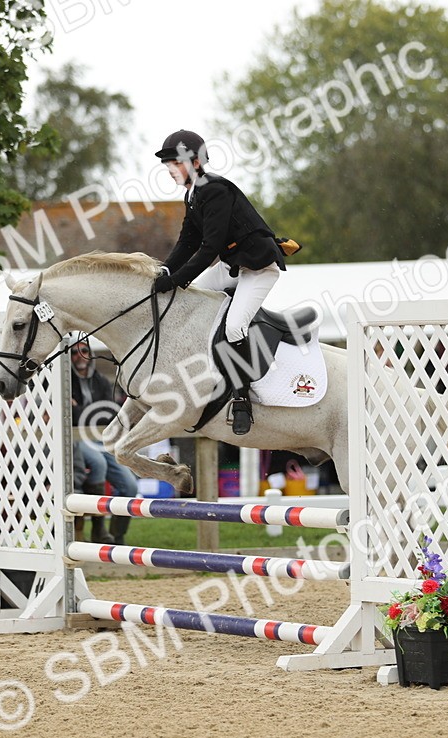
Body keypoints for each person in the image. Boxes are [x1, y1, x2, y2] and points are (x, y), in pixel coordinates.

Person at [150, 129, 289, 435]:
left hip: (258, 267)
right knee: (189, 300)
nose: (170, 169)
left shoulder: (214, 190)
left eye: (176, 162)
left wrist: (177, 279)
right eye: (168, 163)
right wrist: (163, 272)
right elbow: (187, 243)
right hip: (232, 266)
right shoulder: (193, 194)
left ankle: (241, 398)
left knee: (234, 326)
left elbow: (209, 247)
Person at [71, 343, 138, 545]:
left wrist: (81, 409)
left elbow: (110, 411)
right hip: (76, 439)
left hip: (102, 438)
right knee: (98, 463)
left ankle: (117, 536)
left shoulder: (100, 379)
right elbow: (70, 415)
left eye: (84, 350)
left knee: (130, 486)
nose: (79, 355)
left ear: (90, 354)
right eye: (73, 352)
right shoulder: (64, 380)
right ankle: (98, 530)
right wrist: (92, 410)